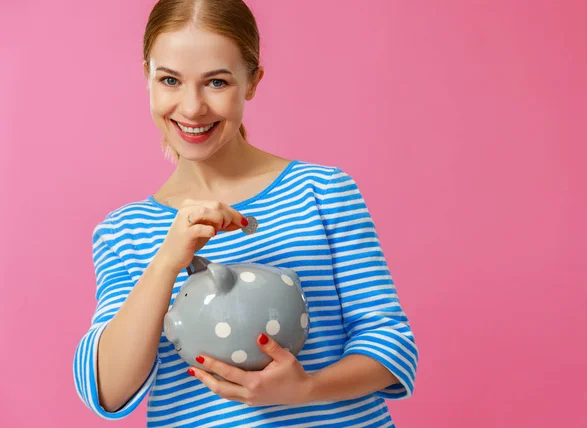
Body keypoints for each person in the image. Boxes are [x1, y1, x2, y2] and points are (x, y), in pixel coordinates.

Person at [72, 0, 419, 426]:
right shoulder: (123, 232)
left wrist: (305, 389)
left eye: (216, 82)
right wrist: (167, 261)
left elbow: (390, 344)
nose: (193, 106)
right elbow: (107, 390)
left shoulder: (322, 191)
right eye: (170, 80)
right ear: (148, 77)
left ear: (252, 81)